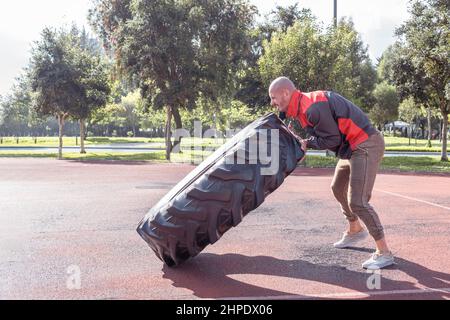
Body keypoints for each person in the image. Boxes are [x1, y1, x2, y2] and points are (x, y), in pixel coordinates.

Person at [269, 76, 394, 270]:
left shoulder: (311, 108)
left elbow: (332, 140)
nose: (272, 102)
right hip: (350, 147)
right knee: (337, 187)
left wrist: (307, 143)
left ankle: (384, 252)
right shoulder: (302, 107)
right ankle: (354, 228)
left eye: (274, 97)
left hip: (365, 144)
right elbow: (328, 135)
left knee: (358, 202)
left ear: (286, 93)